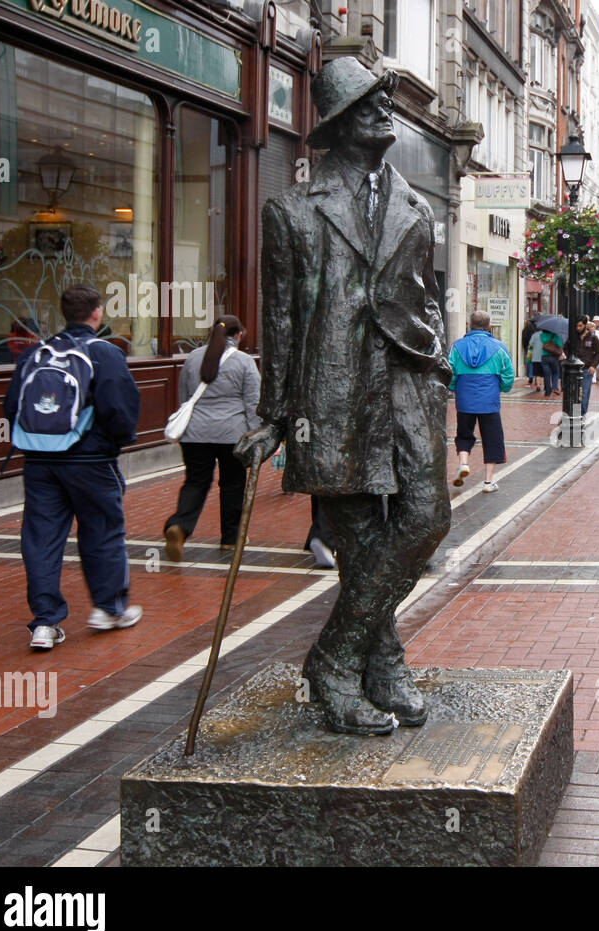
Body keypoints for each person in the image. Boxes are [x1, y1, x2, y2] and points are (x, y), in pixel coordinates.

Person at [235, 59, 451, 733]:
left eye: (383, 100)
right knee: (358, 539)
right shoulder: (292, 209)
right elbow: (281, 320)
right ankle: (380, 666)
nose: (383, 110)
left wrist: (437, 362)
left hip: (409, 381)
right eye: (367, 104)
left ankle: (332, 656)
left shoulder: (415, 205)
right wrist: (275, 410)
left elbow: (428, 299)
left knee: (426, 516)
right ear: (336, 126)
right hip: (333, 389)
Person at [3, 284, 142, 650]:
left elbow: (12, 404)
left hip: (40, 461)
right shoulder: (104, 354)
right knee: (102, 531)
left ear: (65, 313)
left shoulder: (37, 353)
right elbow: (119, 410)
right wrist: (115, 442)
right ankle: (109, 608)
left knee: (41, 538)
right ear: (97, 313)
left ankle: (45, 623)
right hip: (91, 460)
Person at [163, 315, 261, 561]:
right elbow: (253, 403)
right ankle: (230, 537)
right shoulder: (244, 361)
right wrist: (256, 433)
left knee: (195, 482)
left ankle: (179, 526)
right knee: (232, 484)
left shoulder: (193, 358)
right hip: (232, 433)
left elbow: (185, 396)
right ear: (238, 335)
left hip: (195, 433)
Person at [449, 309, 513, 492]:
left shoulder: (457, 347)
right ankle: (488, 481)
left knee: (463, 433)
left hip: (465, 398)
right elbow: (508, 373)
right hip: (489, 400)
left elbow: (449, 370)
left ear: (470, 325)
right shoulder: (498, 347)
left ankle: (463, 463)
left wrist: (454, 387)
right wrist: (502, 387)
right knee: (492, 438)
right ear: (489, 326)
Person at [569, 317, 599, 413]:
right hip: (574, 369)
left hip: (587, 369)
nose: (578, 328)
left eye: (580, 326)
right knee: (573, 392)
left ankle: (582, 413)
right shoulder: (574, 338)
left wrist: (593, 366)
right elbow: (566, 349)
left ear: (585, 325)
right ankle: (574, 412)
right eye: (576, 326)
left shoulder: (593, 338)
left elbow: (598, 352)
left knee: (584, 393)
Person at [540, 324, 563, 396]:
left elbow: (542, 341)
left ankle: (547, 391)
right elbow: (560, 344)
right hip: (554, 356)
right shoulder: (555, 335)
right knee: (555, 372)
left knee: (546, 375)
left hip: (544, 356)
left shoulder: (542, 335)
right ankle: (555, 387)